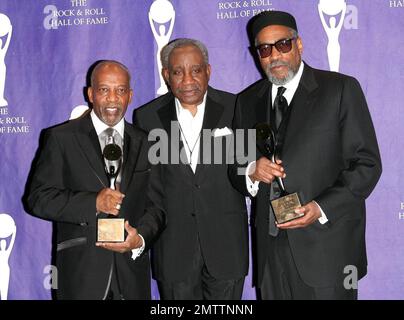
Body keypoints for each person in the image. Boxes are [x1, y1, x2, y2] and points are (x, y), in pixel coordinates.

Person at [229, 11, 382, 299]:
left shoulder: (339, 89)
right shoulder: (247, 101)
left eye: (283, 44)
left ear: (299, 44)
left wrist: (321, 208)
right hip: (271, 254)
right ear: (256, 54)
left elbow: (367, 165)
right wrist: (251, 170)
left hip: (328, 250)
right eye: (264, 49)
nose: (274, 55)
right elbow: (235, 167)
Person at [25, 60, 165, 300]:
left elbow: (157, 207)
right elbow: (38, 199)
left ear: (130, 96)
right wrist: (93, 203)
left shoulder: (146, 143)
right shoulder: (61, 138)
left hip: (131, 278)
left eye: (120, 90)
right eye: (104, 90)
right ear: (90, 94)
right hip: (81, 275)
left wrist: (139, 238)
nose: (113, 98)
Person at [133, 38, 248, 300]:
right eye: (178, 72)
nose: (187, 80)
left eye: (196, 70)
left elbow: (248, 170)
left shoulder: (236, 108)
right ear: (166, 75)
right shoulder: (147, 117)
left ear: (208, 71)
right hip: (173, 249)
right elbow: (149, 188)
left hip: (227, 247)